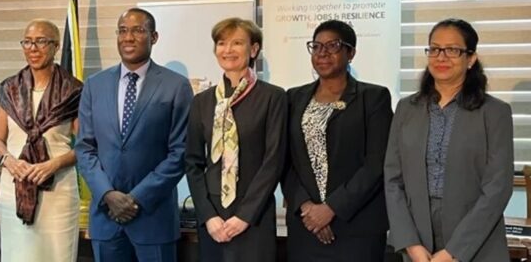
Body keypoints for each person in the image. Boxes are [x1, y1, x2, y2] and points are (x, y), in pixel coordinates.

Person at [385, 18, 514, 262]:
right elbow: (392, 179)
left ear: (471, 58)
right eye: (435, 49)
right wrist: (410, 243)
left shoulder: (494, 112)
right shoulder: (406, 108)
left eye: (452, 50)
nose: (441, 57)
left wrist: (454, 252)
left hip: (476, 243)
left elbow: (497, 188)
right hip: (418, 242)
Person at [75, 7, 194, 262]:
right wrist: (108, 195)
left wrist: (137, 198)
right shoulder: (94, 85)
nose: (128, 37)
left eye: (138, 30)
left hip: (154, 218)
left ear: (154, 37)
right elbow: (84, 148)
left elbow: (181, 151)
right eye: (122, 31)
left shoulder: (176, 86)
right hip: (106, 218)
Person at [282, 20, 393, 261]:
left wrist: (331, 208)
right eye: (316, 46)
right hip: (306, 227)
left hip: (357, 227)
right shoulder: (293, 98)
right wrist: (307, 208)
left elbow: (376, 163)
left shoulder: (373, 98)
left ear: (350, 53)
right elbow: (286, 161)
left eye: (333, 46)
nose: (322, 53)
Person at [185, 17, 288, 262]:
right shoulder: (202, 101)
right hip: (213, 217)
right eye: (221, 43)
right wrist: (208, 216)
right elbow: (192, 162)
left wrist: (244, 216)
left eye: (237, 43)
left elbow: (273, 161)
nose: (228, 50)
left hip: (254, 216)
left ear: (253, 49)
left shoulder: (273, 97)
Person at [0, 19, 83, 262]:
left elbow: (86, 144)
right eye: (27, 42)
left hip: (58, 187)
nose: (33, 48)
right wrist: (9, 161)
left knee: (56, 255)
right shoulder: (9, 88)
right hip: (15, 185)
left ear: (56, 46)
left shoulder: (74, 90)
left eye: (41, 42)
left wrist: (54, 165)